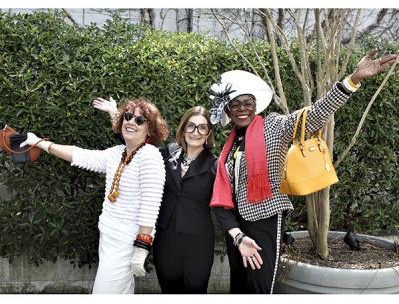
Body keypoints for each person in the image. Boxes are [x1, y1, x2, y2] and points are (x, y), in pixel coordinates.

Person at [208, 50, 397, 294]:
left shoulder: (273, 126)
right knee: (239, 285)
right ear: (228, 111)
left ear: (255, 106)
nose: (242, 109)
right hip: (235, 223)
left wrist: (353, 80)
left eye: (248, 103)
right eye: (235, 105)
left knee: (260, 285)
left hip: (264, 217)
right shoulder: (230, 142)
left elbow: (314, 115)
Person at [20, 98, 168, 294]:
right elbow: (80, 155)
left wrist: (141, 248)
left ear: (150, 130)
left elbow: (151, 206)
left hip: (127, 241)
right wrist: (39, 142)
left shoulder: (150, 156)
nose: (132, 122)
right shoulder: (117, 153)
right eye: (128, 117)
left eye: (140, 121)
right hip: (108, 235)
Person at [93, 99, 217, 293]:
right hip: (166, 239)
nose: (195, 132)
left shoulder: (215, 165)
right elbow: (135, 140)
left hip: (198, 241)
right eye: (191, 126)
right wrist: (115, 114)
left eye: (202, 128)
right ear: (183, 129)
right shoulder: (166, 154)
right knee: (168, 289)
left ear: (208, 133)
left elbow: (224, 204)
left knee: (195, 291)